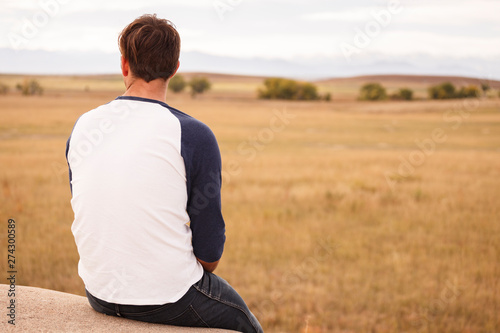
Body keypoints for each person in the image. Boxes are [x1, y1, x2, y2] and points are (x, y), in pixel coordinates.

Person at [66, 14, 262, 333]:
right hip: (169, 297)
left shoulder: (83, 125)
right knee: (247, 324)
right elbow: (210, 250)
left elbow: (90, 207)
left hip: (98, 293)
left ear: (124, 65)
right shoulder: (194, 134)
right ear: (174, 68)